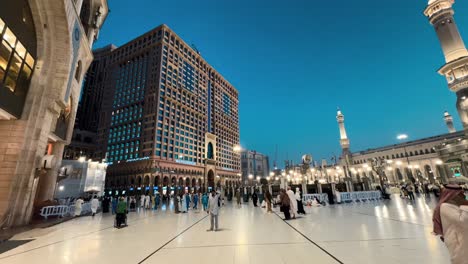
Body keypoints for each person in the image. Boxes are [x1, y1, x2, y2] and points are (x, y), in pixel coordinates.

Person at [433, 184, 468, 263]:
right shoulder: (445, 206)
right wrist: (464, 205)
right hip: (457, 240)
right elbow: (462, 221)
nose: (462, 195)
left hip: (463, 237)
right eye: (459, 194)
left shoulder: (456, 204)